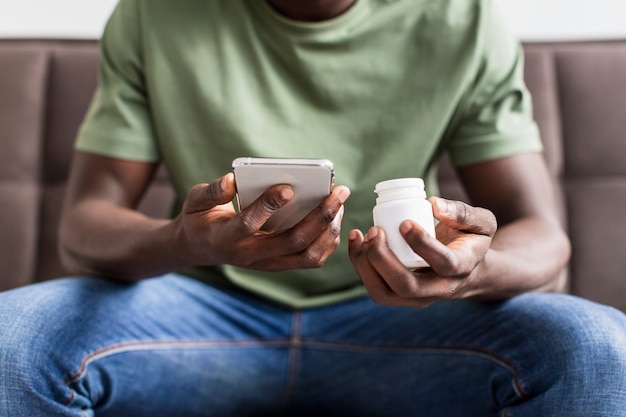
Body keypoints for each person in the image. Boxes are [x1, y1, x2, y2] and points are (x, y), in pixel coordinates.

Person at [1, 0, 625, 415]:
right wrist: (183, 243)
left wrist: (471, 271)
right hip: (195, 314)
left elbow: (543, 235)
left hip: (405, 323)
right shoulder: (155, 13)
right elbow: (86, 222)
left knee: (597, 345)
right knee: (11, 341)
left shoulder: (461, 19)